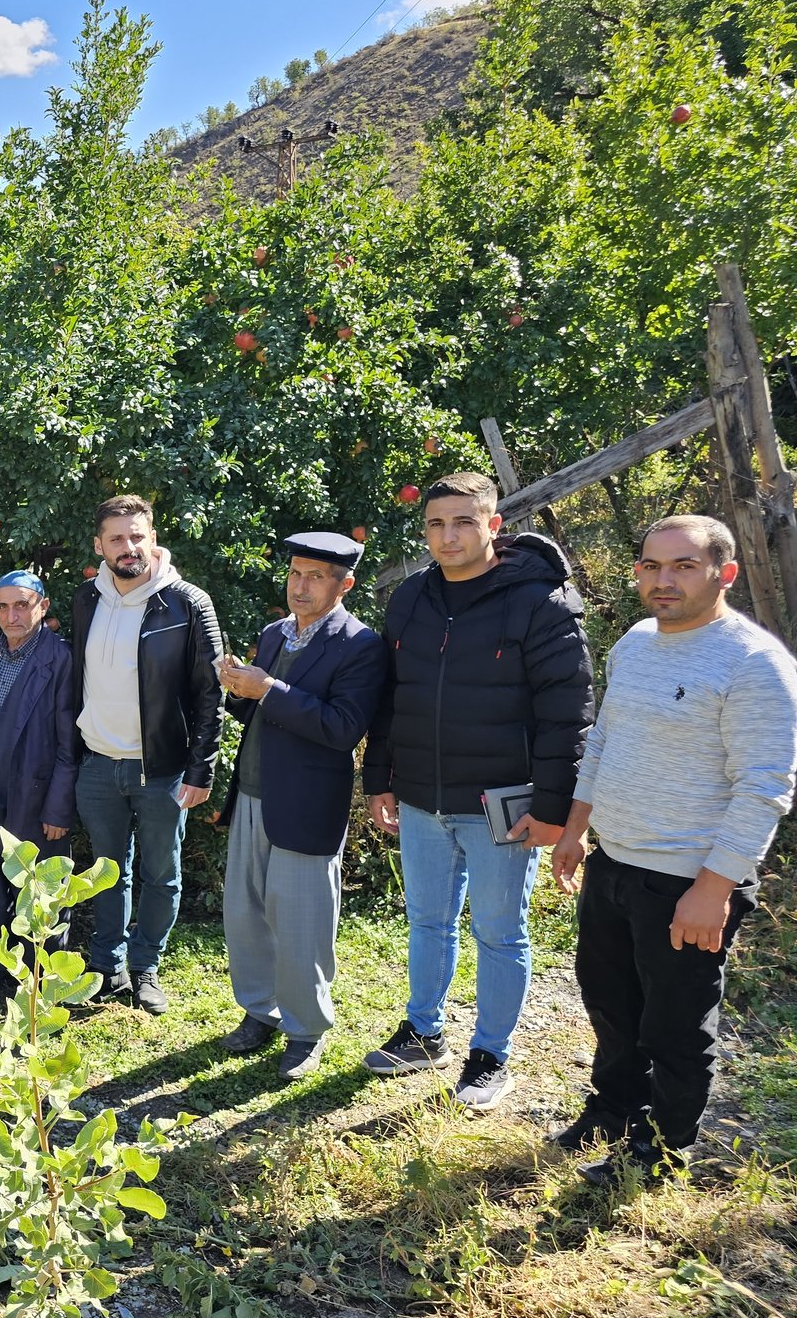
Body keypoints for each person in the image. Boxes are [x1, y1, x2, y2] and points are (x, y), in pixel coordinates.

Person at [551, 515, 797, 1186]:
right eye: (651, 567)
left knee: (675, 1027)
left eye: (683, 566)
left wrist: (713, 890)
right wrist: (577, 828)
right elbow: (603, 740)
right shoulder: (634, 644)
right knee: (610, 1004)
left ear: (724, 573)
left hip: (688, 882)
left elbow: (766, 788)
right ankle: (611, 1111)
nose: (663, 581)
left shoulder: (754, 663)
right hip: (614, 861)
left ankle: (658, 1152)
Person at [361, 474, 595, 1110]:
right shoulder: (411, 597)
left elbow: (568, 711)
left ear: (494, 525)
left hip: (504, 802)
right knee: (428, 921)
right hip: (420, 797)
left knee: (500, 930)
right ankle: (423, 1033)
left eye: (464, 522)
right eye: (436, 525)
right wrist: (378, 776)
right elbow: (391, 697)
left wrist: (552, 807)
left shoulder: (539, 602)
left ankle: (491, 1054)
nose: (448, 536)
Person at [216, 532, 389, 1079]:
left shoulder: (361, 645)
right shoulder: (273, 635)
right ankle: (258, 1012)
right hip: (251, 795)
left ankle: (305, 1030)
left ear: (345, 584)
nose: (300, 586)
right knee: (245, 914)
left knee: (302, 922)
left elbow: (342, 729)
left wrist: (266, 689)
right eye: (295, 573)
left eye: (315, 576)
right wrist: (235, 690)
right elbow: (259, 715)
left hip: (308, 803)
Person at [69, 495, 225, 1016]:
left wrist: (201, 767)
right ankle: (106, 963)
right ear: (99, 546)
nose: (128, 547)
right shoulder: (85, 600)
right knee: (107, 870)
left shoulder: (186, 603)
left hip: (161, 769)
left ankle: (145, 966)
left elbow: (211, 693)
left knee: (162, 873)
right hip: (97, 765)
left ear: (152, 538)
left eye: (137, 535)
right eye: (116, 538)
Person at [0, 571, 79, 994]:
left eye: (22, 604)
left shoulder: (59, 658)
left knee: (39, 880)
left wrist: (59, 807)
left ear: (42, 607)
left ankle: (40, 975)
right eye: (3, 606)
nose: (12, 615)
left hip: (33, 784)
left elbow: (69, 743)